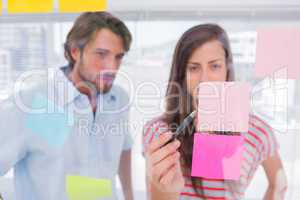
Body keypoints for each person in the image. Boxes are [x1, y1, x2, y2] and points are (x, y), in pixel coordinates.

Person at [143, 24, 287, 199]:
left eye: (215, 66)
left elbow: (279, 183)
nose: (204, 80)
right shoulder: (157, 132)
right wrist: (165, 191)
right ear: (182, 75)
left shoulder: (258, 131)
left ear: (227, 69)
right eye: (194, 68)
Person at [0, 12, 134, 200]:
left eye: (118, 57)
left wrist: (130, 197)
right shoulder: (32, 104)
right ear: (75, 51)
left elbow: (124, 147)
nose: (112, 66)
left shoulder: (118, 98)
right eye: (101, 54)